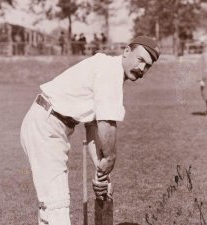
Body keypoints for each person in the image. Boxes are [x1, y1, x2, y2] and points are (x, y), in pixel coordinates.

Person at [20, 36, 160, 225]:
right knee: (56, 204)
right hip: (47, 124)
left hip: (48, 123)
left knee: (51, 204)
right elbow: (106, 123)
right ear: (126, 51)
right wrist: (109, 159)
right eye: (140, 60)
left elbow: (92, 126)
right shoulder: (111, 71)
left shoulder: (108, 70)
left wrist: (101, 171)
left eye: (148, 66)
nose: (142, 68)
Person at [199, 48, 207, 114]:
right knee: (203, 93)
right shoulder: (204, 55)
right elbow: (201, 67)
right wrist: (201, 79)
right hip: (205, 77)